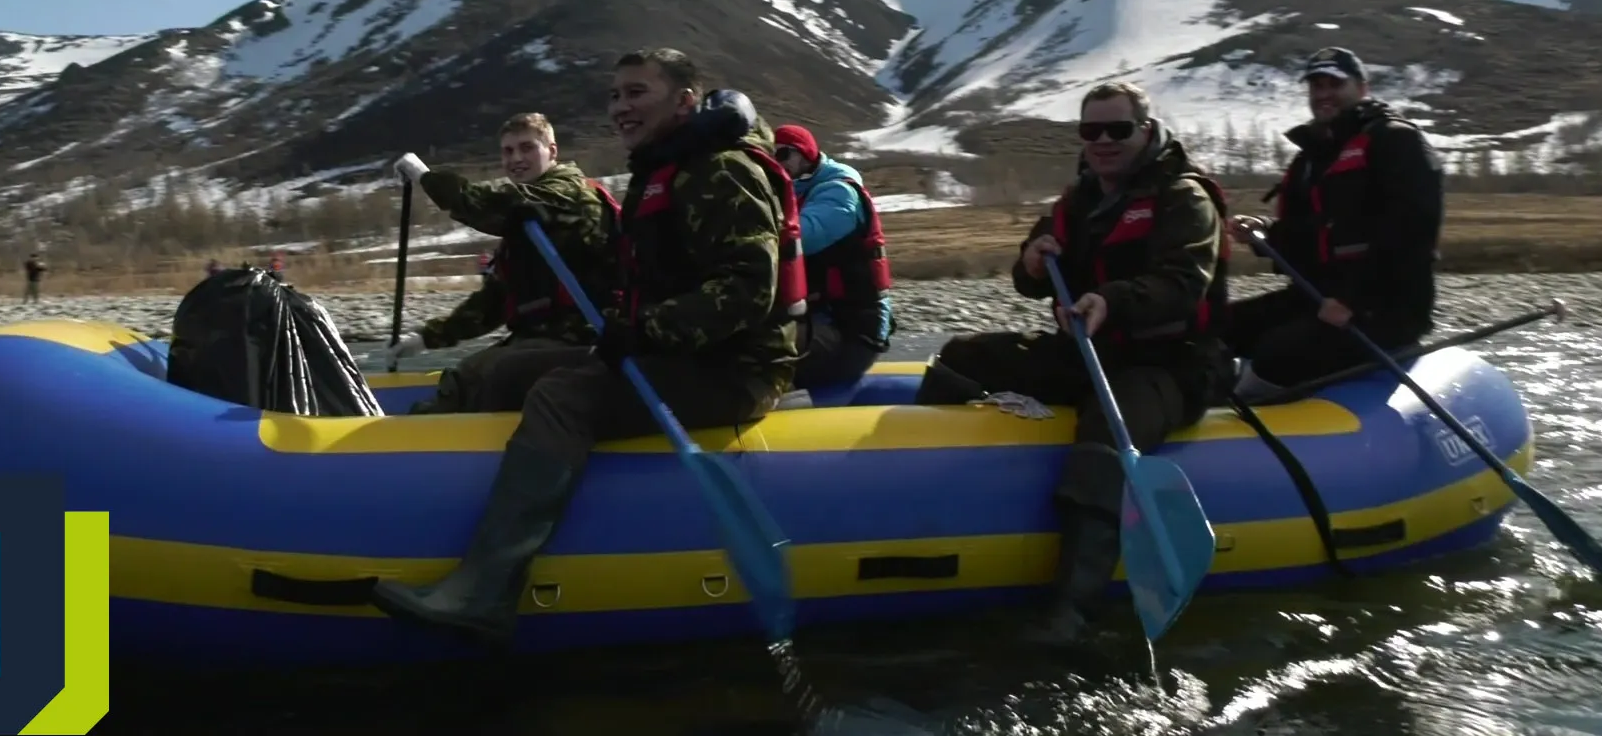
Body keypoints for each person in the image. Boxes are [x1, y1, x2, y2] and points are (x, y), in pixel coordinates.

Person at [369, 47, 808, 649]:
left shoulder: (720, 171)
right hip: (675, 352)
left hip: (734, 368)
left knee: (564, 393)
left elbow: (746, 290)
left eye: (637, 93)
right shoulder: (666, 169)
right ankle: (416, 504)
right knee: (505, 372)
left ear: (684, 100)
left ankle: (486, 591)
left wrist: (647, 328)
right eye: (615, 94)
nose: (621, 107)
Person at [913, 81, 1229, 644]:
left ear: (1147, 132)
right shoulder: (1079, 199)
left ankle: (1072, 612)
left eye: (1117, 130)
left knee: (1104, 432)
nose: (1103, 141)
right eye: (1091, 131)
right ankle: (926, 511)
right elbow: (1028, 277)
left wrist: (1114, 300)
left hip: (1169, 364)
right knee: (963, 357)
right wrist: (1031, 265)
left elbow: (1183, 284)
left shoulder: (1185, 197)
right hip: (1091, 352)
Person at [1225, 47, 1445, 400]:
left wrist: (1352, 299)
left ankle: (1245, 409)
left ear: (1361, 87)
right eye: (1316, 86)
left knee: (1277, 353)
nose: (1324, 94)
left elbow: (1411, 233)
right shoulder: (1310, 158)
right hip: (1317, 297)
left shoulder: (1396, 141)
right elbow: (1309, 234)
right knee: (1219, 326)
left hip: (1384, 309)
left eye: (1334, 84)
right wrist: (1263, 231)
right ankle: (1203, 401)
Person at [384, 112, 620, 414]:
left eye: (527, 148)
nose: (516, 158)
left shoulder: (568, 194)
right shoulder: (526, 226)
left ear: (552, 151)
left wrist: (426, 178)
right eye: (508, 151)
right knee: (464, 377)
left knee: (478, 377)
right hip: (542, 339)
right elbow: (495, 301)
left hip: (585, 340)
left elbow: (498, 203)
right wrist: (425, 338)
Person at [770, 124, 894, 389]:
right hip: (821, 319)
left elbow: (801, 237)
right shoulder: (794, 193)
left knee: (759, 345)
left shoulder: (839, 194)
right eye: (771, 157)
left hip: (852, 334)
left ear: (805, 154)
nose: (777, 163)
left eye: (783, 155)